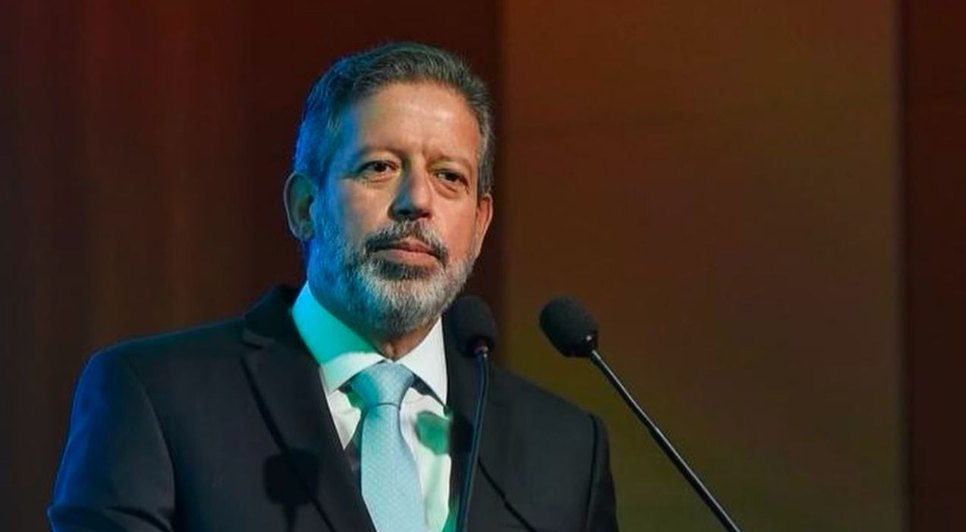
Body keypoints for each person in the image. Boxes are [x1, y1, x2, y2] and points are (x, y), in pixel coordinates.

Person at [49, 42, 618, 532]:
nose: (417, 201)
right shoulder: (155, 398)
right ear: (305, 206)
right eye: (379, 167)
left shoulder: (566, 448)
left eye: (450, 176)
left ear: (479, 224)